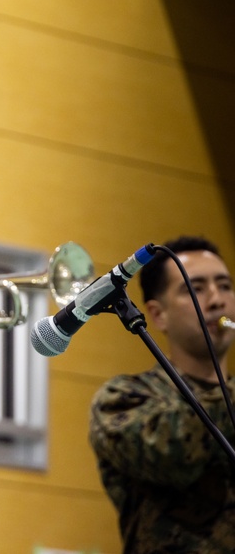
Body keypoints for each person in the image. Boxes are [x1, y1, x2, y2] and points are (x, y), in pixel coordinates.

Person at [89, 236, 235, 553]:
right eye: (195, 289)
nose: (216, 300)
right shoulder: (123, 398)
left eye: (225, 286)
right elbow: (178, 455)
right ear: (158, 315)